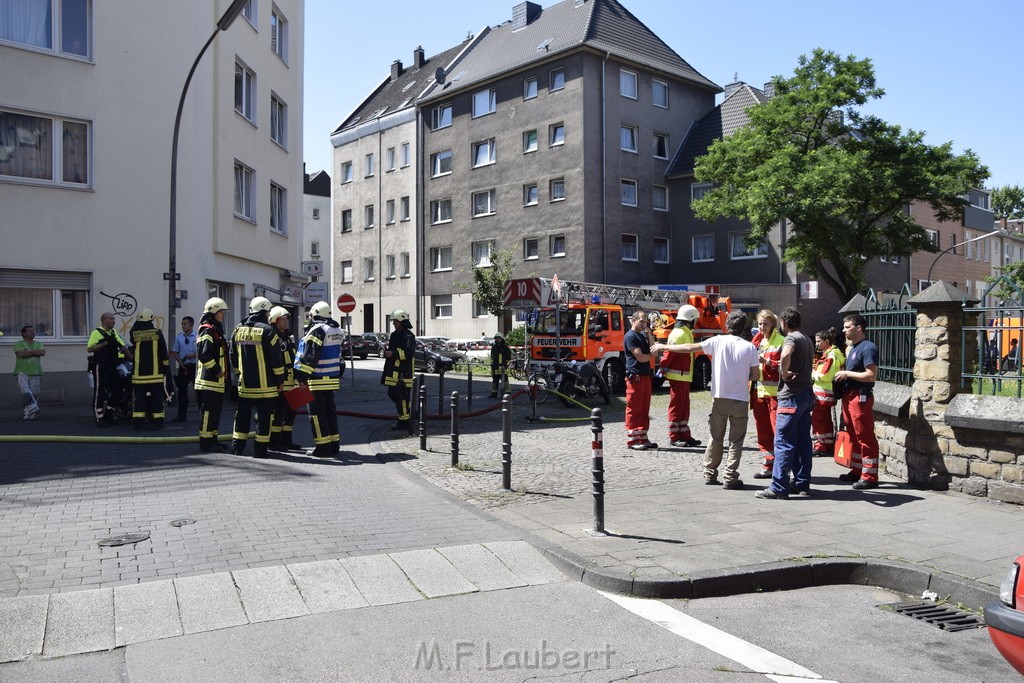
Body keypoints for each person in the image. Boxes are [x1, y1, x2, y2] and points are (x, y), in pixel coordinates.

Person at [654, 311, 759, 488]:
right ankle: (730, 476)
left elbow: (689, 348)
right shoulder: (750, 348)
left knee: (715, 437)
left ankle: (710, 473)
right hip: (740, 399)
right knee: (736, 440)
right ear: (743, 328)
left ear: (727, 325)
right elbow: (755, 375)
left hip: (719, 397)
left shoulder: (717, 341)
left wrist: (664, 347)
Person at [756, 307, 814, 499]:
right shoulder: (807, 338)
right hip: (806, 395)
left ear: (783, 322)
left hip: (791, 396)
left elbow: (785, 354)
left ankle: (778, 487)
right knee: (803, 443)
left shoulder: (791, 338)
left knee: (783, 442)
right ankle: (801, 483)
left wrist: (784, 372)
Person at [229, 297, 284, 458]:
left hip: (245, 385)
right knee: (264, 418)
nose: (268, 316)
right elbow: (276, 361)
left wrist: (239, 374)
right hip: (266, 387)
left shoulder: (237, 330)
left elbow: (232, 355)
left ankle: (237, 447)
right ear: (263, 312)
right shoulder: (268, 331)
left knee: (242, 416)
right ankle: (260, 451)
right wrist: (280, 381)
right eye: (267, 312)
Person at [834, 313, 880, 490]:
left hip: (860, 397)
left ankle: (870, 476)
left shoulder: (867, 348)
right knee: (853, 435)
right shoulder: (853, 348)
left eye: (847, 327)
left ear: (858, 328)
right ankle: (857, 469)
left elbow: (871, 375)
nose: (844, 330)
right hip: (849, 396)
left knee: (864, 435)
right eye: (844, 327)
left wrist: (847, 374)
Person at [294, 301, 345, 457]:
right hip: (332, 379)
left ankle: (322, 448)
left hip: (317, 379)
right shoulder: (336, 330)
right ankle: (333, 445)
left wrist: (302, 377)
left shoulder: (318, 330)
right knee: (330, 412)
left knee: (316, 415)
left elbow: (311, 356)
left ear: (314, 315)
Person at [659, 304, 702, 448]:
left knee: (684, 407)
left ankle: (684, 435)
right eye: (695, 319)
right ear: (690, 319)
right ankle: (674, 436)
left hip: (683, 376)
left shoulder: (685, 332)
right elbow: (669, 353)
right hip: (678, 376)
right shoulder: (679, 333)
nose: (696, 322)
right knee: (677, 407)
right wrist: (663, 368)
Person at [751, 309, 785, 480]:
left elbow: (785, 366)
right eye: (759, 324)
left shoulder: (781, 341)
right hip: (758, 392)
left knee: (778, 432)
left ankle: (782, 468)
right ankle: (768, 465)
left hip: (774, 395)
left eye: (765, 323)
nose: (762, 327)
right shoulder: (757, 341)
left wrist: (767, 362)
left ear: (773, 323)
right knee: (763, 432)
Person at [195, 297, 230, 452]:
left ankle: (213, 440)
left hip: (216, 382)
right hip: (208, 381)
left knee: (215, 413)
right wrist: (217, 370)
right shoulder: (207, 330)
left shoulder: (215, 330)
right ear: (213, 311)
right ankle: (206, 442)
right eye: (221, 312)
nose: (223, 314)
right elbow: (204, 355)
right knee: (208, 413)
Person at [128, 308, 170, 430]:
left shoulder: (134, 334)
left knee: (139, 399)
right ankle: (158, 423)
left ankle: (138, 424)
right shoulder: (157, 333)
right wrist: (166, 367)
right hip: (155, 374)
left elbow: (133, 333)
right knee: (157, 398)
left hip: (138, 375)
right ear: (152, 319)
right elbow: (163, 352)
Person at [86, 312, 131, 427]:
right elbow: (90, 348)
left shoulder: (113, 332)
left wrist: (132, 358)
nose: (113, 321)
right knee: (99, 391)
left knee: (117, 389)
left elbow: (122, 346)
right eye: (111, 319)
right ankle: (99, 418)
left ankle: (109, 415)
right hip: (100, 365)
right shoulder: (96, 332)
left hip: (112, 365)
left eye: (114, 319)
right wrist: (104, 343)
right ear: (104, 320)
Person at [269, 306, 302, 452]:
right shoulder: (272, 337)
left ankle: (287, 441)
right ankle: (274, 443)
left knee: (291, 414)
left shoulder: (288, 337)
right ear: (275, 320)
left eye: (287, 318)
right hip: (280, 384)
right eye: (283, 318)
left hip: (292, 383)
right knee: (278, 414)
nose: (286, 321)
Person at [623, 310, 658, 450]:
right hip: (635, 375)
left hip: (644, 375)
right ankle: (633, 440)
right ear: (634, 320)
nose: (644, 324)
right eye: (641, 321)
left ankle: (643, 437)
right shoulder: (630, 336)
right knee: (634, 407)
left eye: (645, 321)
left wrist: (649, 335)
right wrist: (650, 355)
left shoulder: (643, 335)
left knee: (644, 408)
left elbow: (654, 352)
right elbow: (641, 357)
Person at [810, 327, 845, 457]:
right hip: (824, 392)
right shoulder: (830, 353)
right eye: (816, 341)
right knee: (824, 419)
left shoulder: (832, 355)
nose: (817, 344)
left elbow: (825, 375)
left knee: (818, 419)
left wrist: (813, 374)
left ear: (826, 341)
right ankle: (827, 444)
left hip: (825, 392)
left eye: (819, 341)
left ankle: (821, 446)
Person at [381, 308, 416, 432]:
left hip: (404, 373)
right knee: (394, 394)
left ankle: (404, 421)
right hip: (393, 372)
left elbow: (409, 353)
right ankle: (411, 412)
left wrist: (393, 353)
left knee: (402, 396)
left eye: (395, 321)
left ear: (401, 321)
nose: (393, 324)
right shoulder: (395, 334)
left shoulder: (409, 336)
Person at [13, 325, 44, 421]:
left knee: (34, 393)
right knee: (25, 391)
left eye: (33, 330)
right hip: (22, 371)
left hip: (35, 370)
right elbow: (22, 354)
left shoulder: (38, 343)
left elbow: (42, 352)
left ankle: (30, 412)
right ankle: (33, 409)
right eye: (30, 331)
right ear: (24, 333)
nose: (32, 332)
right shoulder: (19, 344)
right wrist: (35, 352)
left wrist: (29, 351)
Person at [170, 316, 197, 422]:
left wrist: (194, 356)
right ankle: (181, 415)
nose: (183, 326)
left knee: (199, 392)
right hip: (184, 367)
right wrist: (180, 363)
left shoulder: (197, 336)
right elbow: (175, 352)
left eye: (185, 324)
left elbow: (201, 352)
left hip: (194, 367)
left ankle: (204, 414)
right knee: (181, 392)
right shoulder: (179, 337)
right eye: (182, 324)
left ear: (191, 325)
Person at [489, 332, 512, 398]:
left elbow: (509, 357)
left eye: (499, 338)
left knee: (505, 381)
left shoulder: (505, 347)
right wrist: (492, 366)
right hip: (495, 367)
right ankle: (494, 394)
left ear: (501, 339)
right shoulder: (494, 347)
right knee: (495, 381)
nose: (498, 339)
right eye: (496, 338)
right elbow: (492, 357)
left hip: (503, 367)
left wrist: (505, 364)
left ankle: (507, 394)